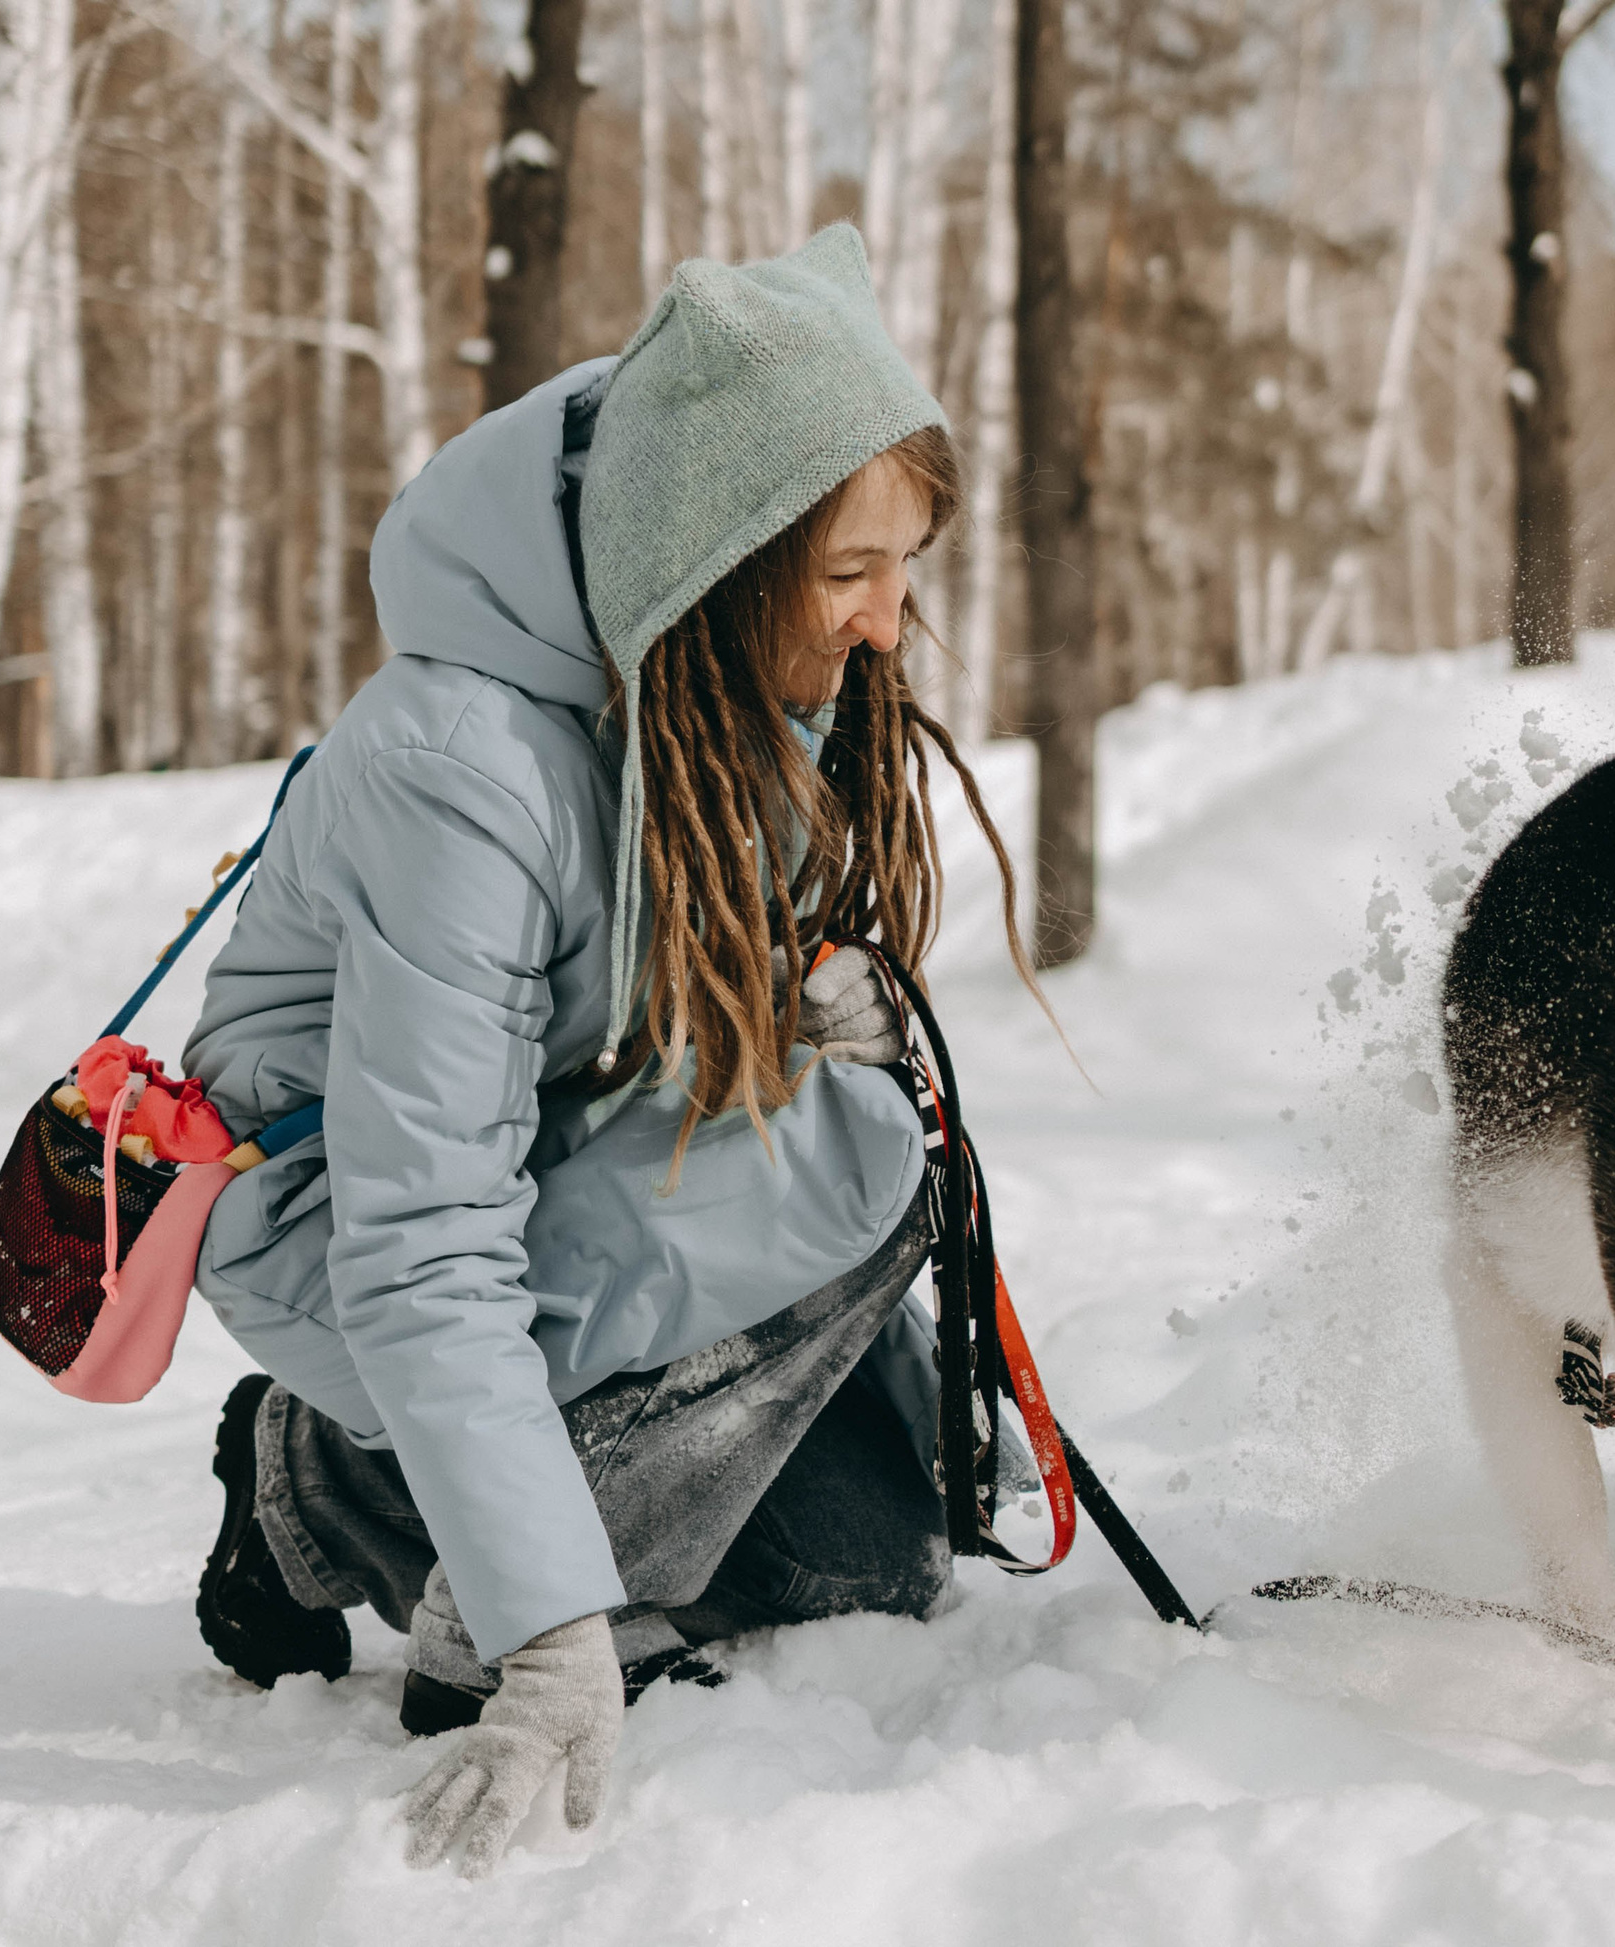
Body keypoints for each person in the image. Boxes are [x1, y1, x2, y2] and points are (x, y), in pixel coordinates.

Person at [179, 226, 1034, 1877]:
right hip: (346, 1239)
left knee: (866, 1562)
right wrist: (551, 1637)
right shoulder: (465, 768)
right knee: (852, 1149)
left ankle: (364, 1501)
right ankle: (373, 1519)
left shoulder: (717, 681)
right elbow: (422, 1238)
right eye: (852, 574)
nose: (888, 623)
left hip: (560, 1181)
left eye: (908, 565)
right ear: (719, 553)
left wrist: (799, 1013)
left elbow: (650, 1010)